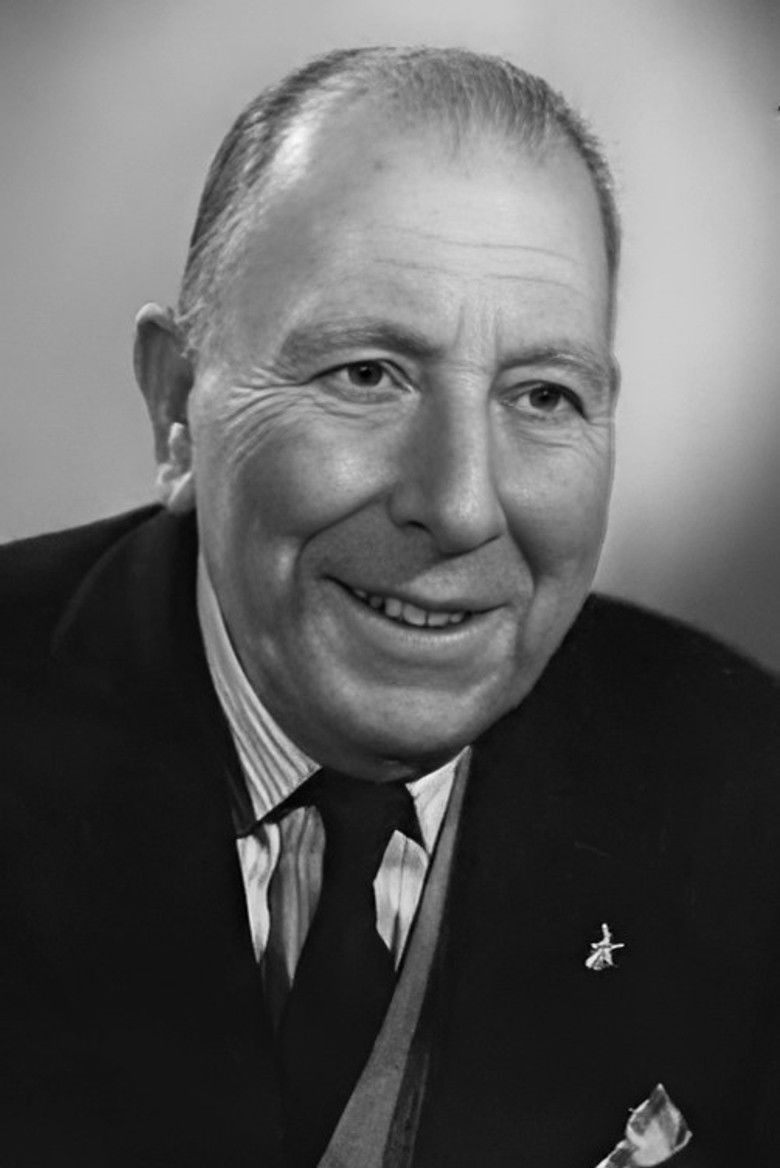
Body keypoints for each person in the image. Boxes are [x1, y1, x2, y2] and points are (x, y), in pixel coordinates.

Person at [1, 46, 778, 1168]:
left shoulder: (748, 798)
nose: (460, 506)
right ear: (178, 406)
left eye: (543, 395)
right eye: (367, 375)